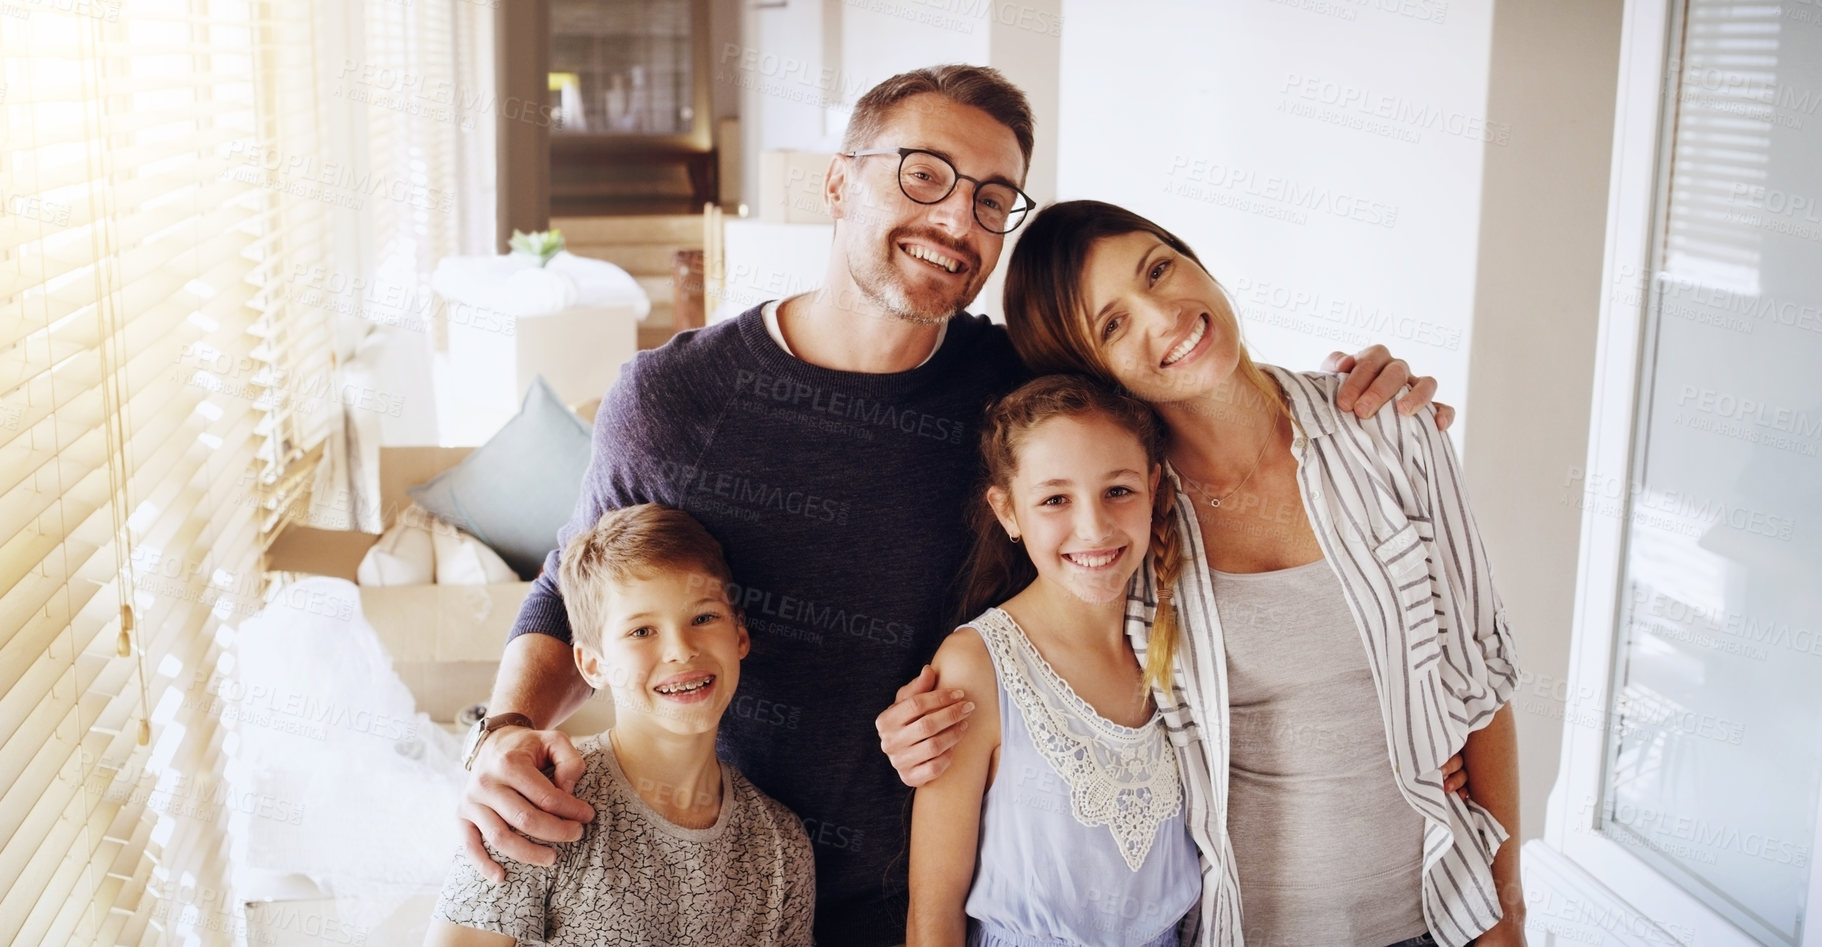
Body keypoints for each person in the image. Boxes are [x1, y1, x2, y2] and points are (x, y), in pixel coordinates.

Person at [457, 64, 1450, 947]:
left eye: (991, 198)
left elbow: (1169, 394)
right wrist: (505, 723)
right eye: (923, 174)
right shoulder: (675, 399)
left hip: (975, 889)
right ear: (838, 182)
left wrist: (1346, 398)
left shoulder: (1012, 388)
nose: (955, 219)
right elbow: (571, 579)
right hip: (747, 877)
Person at [890, 200, 1524, 947]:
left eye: (1158, 270)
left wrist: (1507, 909)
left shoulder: (1388, 427)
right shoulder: (1130, 521)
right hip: (1241, 929)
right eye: (1115, 324)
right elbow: (1052, 679)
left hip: (1442, 913)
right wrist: (930, 725)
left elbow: (1483, 684)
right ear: (1094, 370)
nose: (1165, 316)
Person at [428, 503, 815, 946]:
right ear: (592, 664)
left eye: (703, 618)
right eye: (641, 631)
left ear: (740, 636)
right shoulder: (531, 808)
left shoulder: (782, 844)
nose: (681, 650)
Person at [907, 375, 1200, 947]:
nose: (1093, 527)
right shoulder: (978, 666)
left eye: (1118, 490)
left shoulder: (1179, 644)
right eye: (1055, 499)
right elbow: (932, 910)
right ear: (1008, 511)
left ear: (1154, 486)